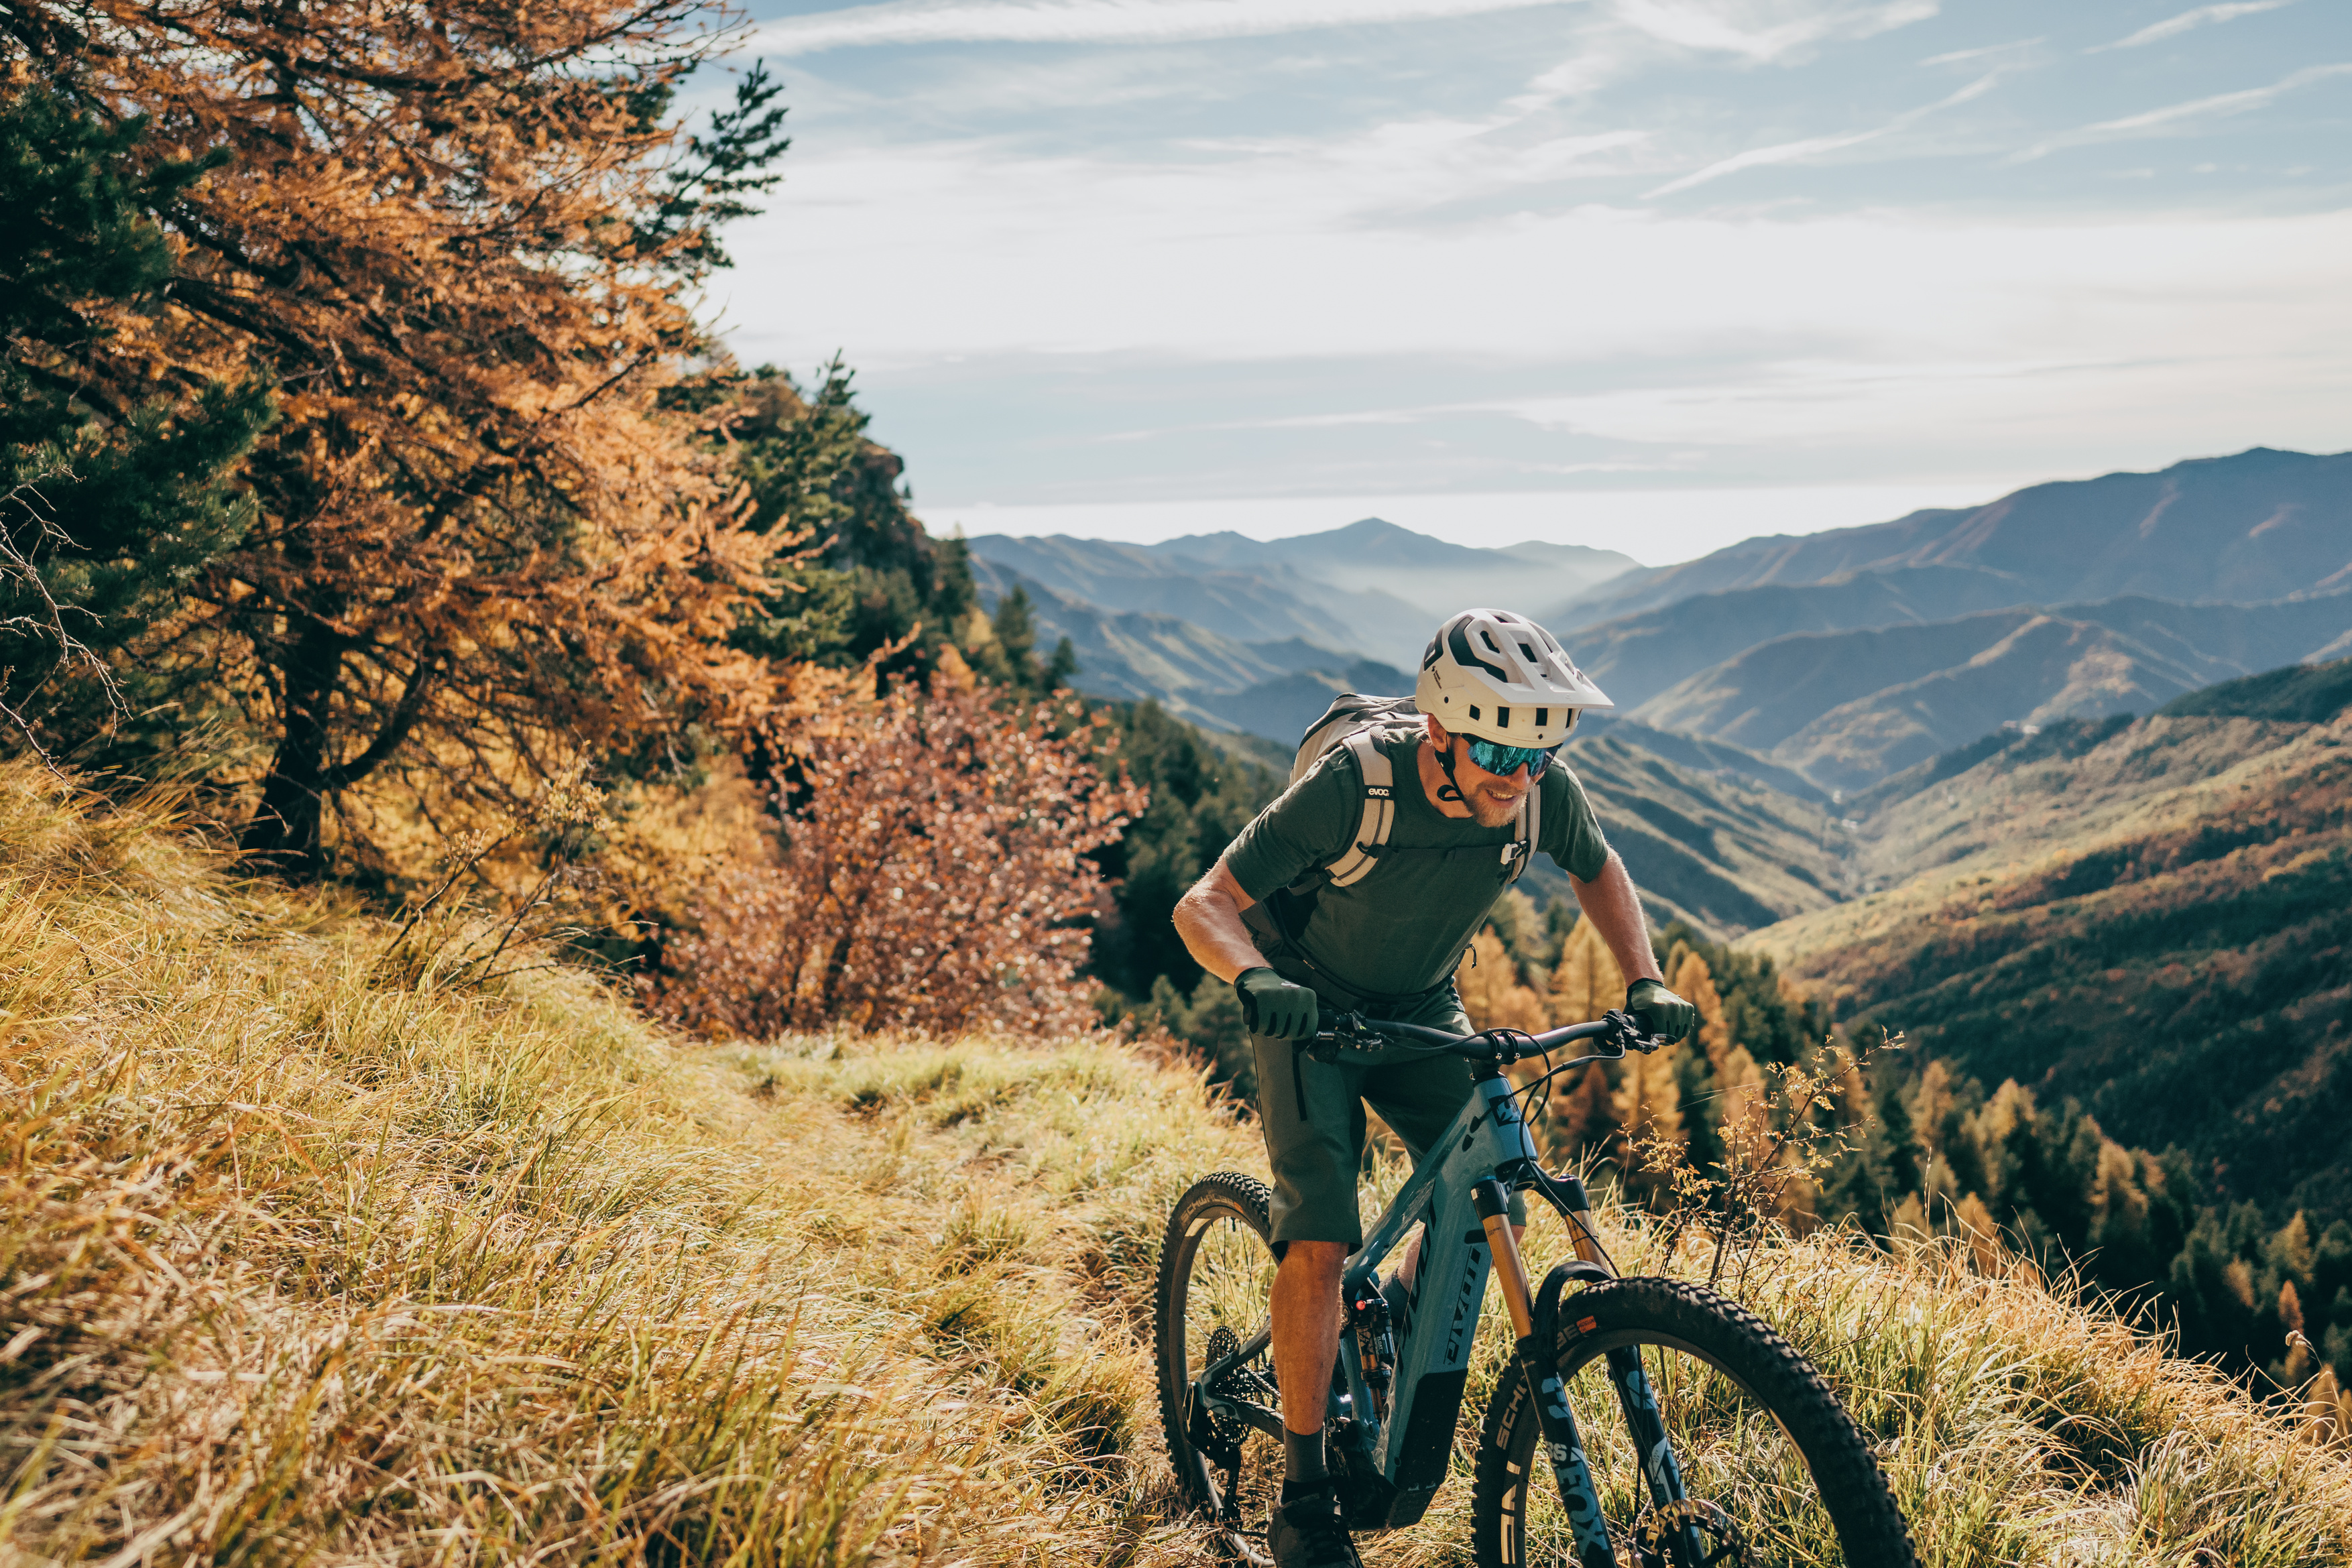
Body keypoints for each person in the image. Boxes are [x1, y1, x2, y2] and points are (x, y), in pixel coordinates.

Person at [1171, 607, 1698, 1568]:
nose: (1516, 777)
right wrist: (1258, 980)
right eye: (1498, 752)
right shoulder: (1355, 788)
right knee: (1323, 1241)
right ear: (1444, 732)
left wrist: (1644, 976)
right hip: (1313, 1016)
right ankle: (1304, 1498)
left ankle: (1395, 1323)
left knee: (1496, 1184)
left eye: (1535, 757)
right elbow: (1204, 903)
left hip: (1420, 1010)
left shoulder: (1539, 792)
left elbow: (1599, 867)